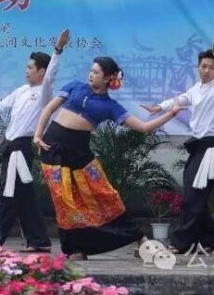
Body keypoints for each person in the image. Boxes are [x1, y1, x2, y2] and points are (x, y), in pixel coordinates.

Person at [33, 54, 182, 259]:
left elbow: (144, 127)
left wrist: (171, 113)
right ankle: (76, 249)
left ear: (107, 78)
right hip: (53, 151)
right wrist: (38, 135)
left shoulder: (111, 106)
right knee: (64, 201)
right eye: (90, 70)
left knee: (106, 195)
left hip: (80, 154)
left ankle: (141, 241)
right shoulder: (75, 86)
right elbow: (49, 108)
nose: (90, 75)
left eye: (95, 72)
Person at [0, 28, 70, 252]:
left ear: (41, 71)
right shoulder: (21, 91)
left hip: (21, 148)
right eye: (26, 67)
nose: (26, 71)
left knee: (7, 193)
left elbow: (52, 74)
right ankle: (39, 241)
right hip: (11, 146)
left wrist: (58, 50)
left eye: (30, 68)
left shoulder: (45, 92)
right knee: (23, 197)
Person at [142, 35, 214, 254]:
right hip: (198, 148)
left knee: (193, 196)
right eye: (203, 66)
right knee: (195, 196)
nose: (207, 70)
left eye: (211, 67)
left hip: (210, 148)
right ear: (198, 67)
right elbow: (179, 100)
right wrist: (158, 107)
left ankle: (181, 242)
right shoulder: (196, 89)